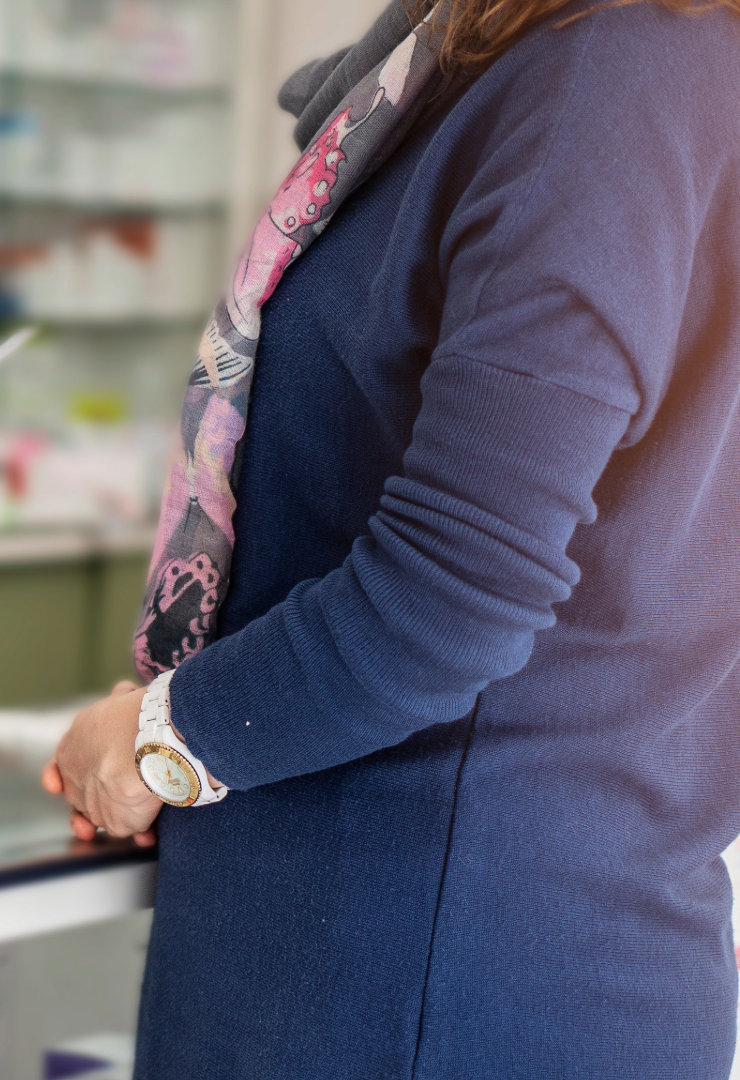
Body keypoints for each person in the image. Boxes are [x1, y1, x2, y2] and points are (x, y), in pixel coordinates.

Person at [42, 0, 740, 1074]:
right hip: (394, 936)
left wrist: (162, 740)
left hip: (423, 972)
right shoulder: (512, 68)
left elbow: (452, 594)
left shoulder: (610, 82)